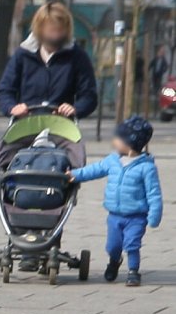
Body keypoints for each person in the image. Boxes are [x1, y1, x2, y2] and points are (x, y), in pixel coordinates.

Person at [70, 115, 163, 287]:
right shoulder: (112, 161)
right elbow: (94, 170)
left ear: (130, 143)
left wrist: (154, 215)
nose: (114, 141)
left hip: (136, 216)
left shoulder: (146, 167)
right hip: (114, 215)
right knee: (113, 246)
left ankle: (133, 271)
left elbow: (154, 193)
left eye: (118, 139)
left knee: (132, 244)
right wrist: (74, 175)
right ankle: (114, 261)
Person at [0, 1, 97, 122]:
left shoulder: (77, 56)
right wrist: (12, 107)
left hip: (61, 125)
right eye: (52, 30)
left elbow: (89, 94)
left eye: (60, 30)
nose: (56, 35)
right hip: (26, 123)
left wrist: (76, 109)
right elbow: (5, 90)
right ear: (40, 29)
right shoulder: (22, 55)